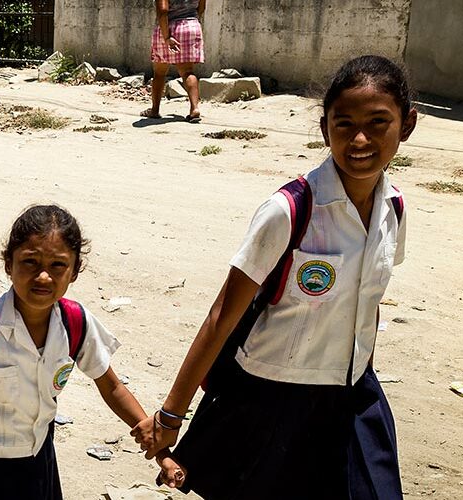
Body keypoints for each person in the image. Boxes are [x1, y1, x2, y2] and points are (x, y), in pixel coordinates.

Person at [132, 55, 417, 500]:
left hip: (351, 396)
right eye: (344, 124)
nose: (360, 138)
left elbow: (368, 303)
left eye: (379, 122)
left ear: (408, 124)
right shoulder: (290, 211)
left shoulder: (393, 209)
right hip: (272, 397)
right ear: (325, 130)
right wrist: (171, 416)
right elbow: (221, 318)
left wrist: (359, 370)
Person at [0, 205, 184, 500]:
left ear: (75, 271)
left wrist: (161, 452)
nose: (43, 277)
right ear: (8, 264)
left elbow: (112, 387)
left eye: (57, 266)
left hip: (37, 463)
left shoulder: (76, 324)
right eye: (30, 262)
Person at [142, 0, 205, 122]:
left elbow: (163, 11)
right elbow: (201, 8)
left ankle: (155, 110)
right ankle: (194, 109)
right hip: (192, 26)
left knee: (160, 72)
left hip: (169, 27)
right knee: (187, 71)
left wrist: (166, 37)